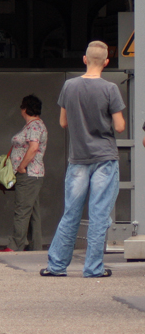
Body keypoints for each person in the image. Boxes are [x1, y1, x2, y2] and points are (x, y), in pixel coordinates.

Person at [41, 41, 126, 278]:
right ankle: (93, 268)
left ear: (85, 59)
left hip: (78, 158)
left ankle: (57, 266)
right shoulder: (110, 89)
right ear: (107, 63)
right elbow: (120, 127)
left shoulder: (69, 86)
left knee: (71, 213)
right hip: (105, 158)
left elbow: (63, 122)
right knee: (99, 214)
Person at [0, 94, 47, 252]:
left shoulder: (34, 126)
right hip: (33, 175)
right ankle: (35, 247)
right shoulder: (34, 125)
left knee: (21, 210)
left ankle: (15, 246)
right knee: (32, 212)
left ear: (25, 108)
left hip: (28, 174)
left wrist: (21, 167)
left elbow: (33, 148)